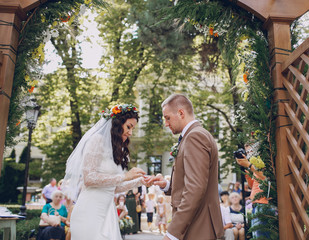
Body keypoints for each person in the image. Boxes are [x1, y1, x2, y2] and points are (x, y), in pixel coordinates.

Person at [61, 104, 148, 240]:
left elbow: (114, 187)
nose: (130, 132)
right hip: (89, 212)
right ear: (118, 124)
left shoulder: (117, 150)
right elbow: (89, 179)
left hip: (108, 213)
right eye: (129, 127)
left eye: (133, 128)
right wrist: (125, 176)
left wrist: (140, 181)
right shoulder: (96, 141)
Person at [147, 94, 224, 240]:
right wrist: (167, 185)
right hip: (197, 224)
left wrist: (172, 233)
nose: (165, 123)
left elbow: (195, 188)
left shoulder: (195, 137)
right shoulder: (193, 135)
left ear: (181, 113)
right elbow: (193, 181)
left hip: (199, 226)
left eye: (167, 117)